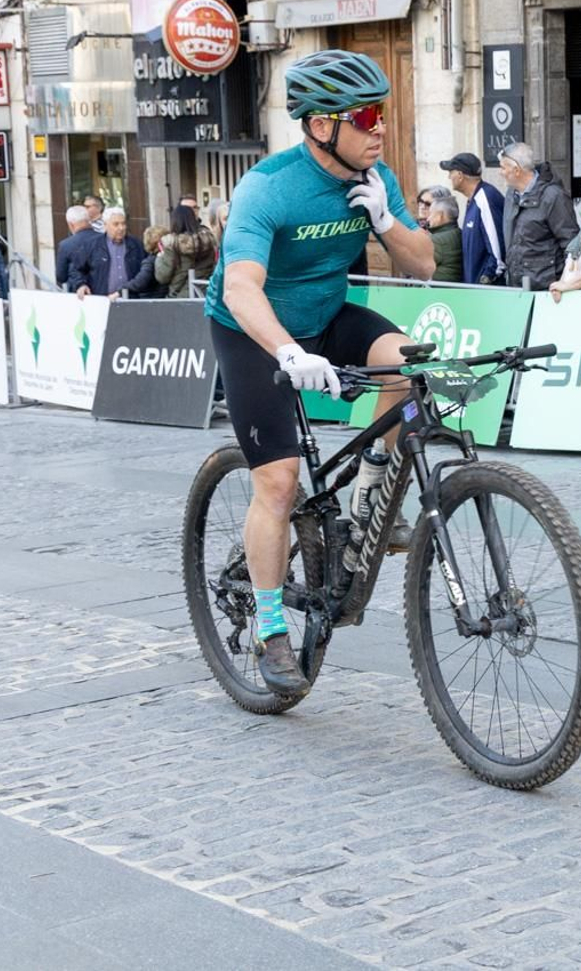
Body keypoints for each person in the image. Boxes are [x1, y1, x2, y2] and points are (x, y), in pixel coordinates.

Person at [203, 49, 433, 698]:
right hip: (254, 329)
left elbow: (423, 265)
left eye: (381, 112)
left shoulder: (375, 177)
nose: (379, 126)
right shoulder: (269, 187)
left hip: (327, 313)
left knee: (411, 367)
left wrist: (385, 220)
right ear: (321, 125)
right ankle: (270, 626)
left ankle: (370, 500)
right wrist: (287, 351)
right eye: (365, 116)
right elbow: (242, 287)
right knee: (279, 483)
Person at [499, 143, 578, 290]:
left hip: (546, 288)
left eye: (503, 168)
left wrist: (564, 283)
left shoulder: (553, 196)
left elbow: (571, 243)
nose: (500, 173)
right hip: (517, 286)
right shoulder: (511, 194)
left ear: (516, 170)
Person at [441, 152, 505, 284]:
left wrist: (487, 278)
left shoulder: (485, 197)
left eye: (451, 172)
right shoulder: (474, 199)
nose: (449, 177)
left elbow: (497, 248)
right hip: (475, 287)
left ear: (460, 175)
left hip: (487, 290)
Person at [71, 208, 158, 299]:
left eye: (123, 224)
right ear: (105, 225)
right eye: (116, 224)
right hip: (102, 300)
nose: (121, 228)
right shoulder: (92, 245)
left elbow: (146, 274)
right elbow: (75, 269)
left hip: (130, 300)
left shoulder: (136, 245)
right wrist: (81, 284)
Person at [155, 206, 218, 298]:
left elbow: (162, 277)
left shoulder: (172, 245)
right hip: (206, 293)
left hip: (179, 296)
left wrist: (159, 258)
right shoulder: (208, 241)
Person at [55, 206, 102, 291]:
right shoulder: (104, 240)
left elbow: (61, 277)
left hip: (78, 293)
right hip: (105, 292)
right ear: (89, 220)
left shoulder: (65, 245)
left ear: (71, 224)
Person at [426, 194, 463, 282]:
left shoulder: (436, 241)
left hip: (438, 289)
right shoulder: (460, 233)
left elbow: (420, 267)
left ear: (440, 216)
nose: (428, 219)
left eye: (430, 214)